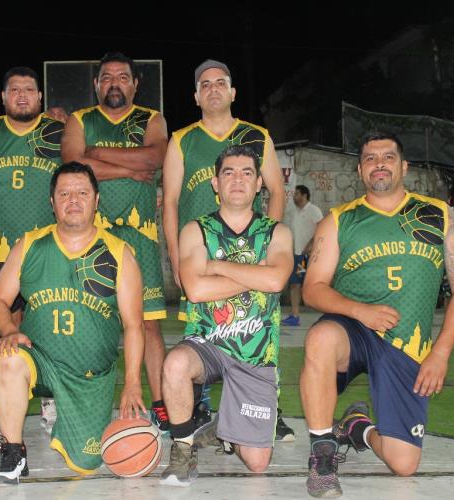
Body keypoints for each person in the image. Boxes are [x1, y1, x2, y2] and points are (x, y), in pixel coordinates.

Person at [300, 132, 454, 497]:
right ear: (360, 169)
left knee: (403, 464)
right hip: (354, 329)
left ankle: (356, 427)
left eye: (388, 157)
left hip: (406, 344)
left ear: (404, 166)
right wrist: (359, 311)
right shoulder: (338, 220)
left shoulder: (438, 215)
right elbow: (312, 288)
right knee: (320, 338)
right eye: (370, 158)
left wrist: (440, 353)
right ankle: (322, 455)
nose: (379, 164)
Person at [0, 162, 145, 483]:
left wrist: (131, 382)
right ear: (52, 202)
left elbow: (133, 325)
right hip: (41, 361)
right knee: (8, 358)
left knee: (87, 463)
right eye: (64, 193)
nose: (73, 200)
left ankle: (77, 420)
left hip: (90, 376)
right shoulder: (30, 245)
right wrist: (10, 330)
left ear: (96, 200)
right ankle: (13, 450)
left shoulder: (119, 253)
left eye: (82, 193)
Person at [162, 58, 291, 439]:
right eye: (205, 84)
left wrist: (268, 243)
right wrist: (174, 253)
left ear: (233, 92)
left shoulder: (256, 135)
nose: (213, 88)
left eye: (221, 82)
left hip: (251, 253)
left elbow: (277, 190)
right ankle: (198, 410)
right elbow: (169, 201)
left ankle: (268, 406)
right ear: (196, 96)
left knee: (260, 329)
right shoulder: (182, 139)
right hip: (200, 254)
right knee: (204, 329)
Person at [159, 146, 293, 486]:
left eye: (247, 172)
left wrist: (216, 266)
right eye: (228, 173)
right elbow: (195, 289)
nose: (237, 179)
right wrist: (254, 272)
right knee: (174, 364)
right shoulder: (196, 230)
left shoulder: (277, 232)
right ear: (215, 183)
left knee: (258, 463)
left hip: (256, 352)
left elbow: (277, 280)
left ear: (260, 183)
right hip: (208, 343)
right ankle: (183, 448)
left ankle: (221, 430)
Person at [61, 52, 169, 430]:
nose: (114, 83)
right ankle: (85, 406)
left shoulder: (151, 119)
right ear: (96, 84)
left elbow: (156, 157)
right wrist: (129, 165)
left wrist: (97, 155)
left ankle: (160, 405)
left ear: (135, 84)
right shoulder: (80, 120)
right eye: (107, 77)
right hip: (93, 239)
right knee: (90, 323)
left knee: (149, 324)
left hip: (141, 239)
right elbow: (74, 167)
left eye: (123, 77)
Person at [0, 66, 64, 429]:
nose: (22, 95)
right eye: (14, 90)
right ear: (3, 98)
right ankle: (2, 398)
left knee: (46, 327)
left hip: (45, 249)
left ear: (41, 98)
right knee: (2, 330)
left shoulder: (58, 132)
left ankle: (48, 397)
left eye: (29, 90)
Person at [282, 185, 323, 327]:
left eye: (297, 194)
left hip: (308, 256)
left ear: (305, 195)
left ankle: (326, 315)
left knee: (311, 285)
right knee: (294, 284)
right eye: (294, 194)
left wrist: (310, 247)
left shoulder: (314, 211)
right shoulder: (292, 212)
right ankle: (295, 315)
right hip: (295, 254)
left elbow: (321, 230)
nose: (294, 197)